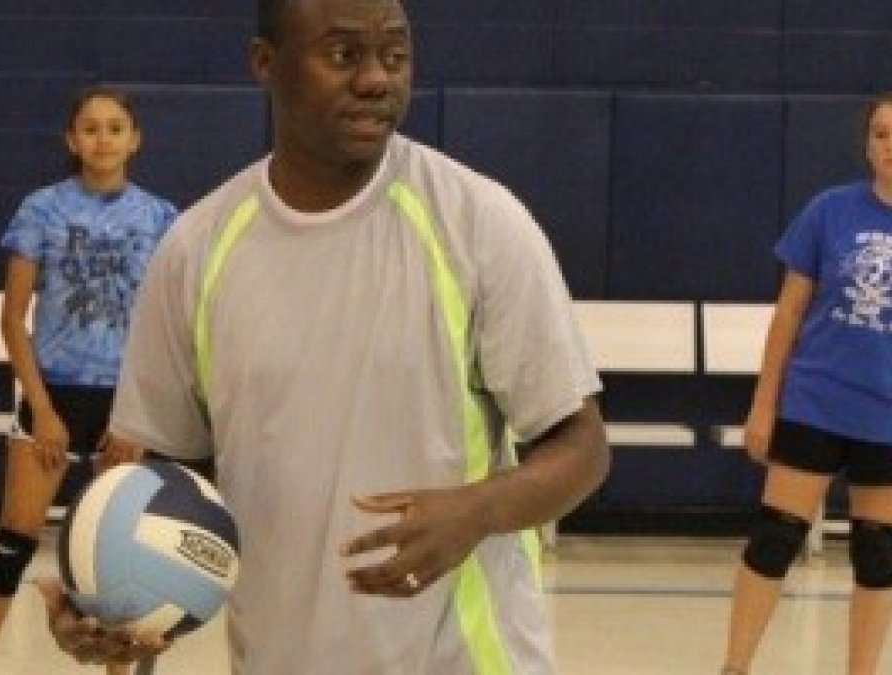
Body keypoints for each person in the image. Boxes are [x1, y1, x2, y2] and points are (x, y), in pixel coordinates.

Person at [38, 0, 610, 672]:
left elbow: (582, 446)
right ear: (265, 63)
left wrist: (478, 509)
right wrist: (123, 599)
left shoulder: (479, 223)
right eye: (343, 55)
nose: (376, 79)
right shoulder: (196, 250)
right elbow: (169, 482)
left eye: (394, 55)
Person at [0, 85, 177, 674]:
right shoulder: (42, 210)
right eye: (90, 128)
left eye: (115, 127)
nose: (103, 138)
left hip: (125, 406)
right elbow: (12, 319)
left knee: (120, 554)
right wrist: (43, 410)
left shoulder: (161, 218)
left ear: (135, 139)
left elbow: (168, 329)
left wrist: (137, 417)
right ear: (72, 139)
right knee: (13, 540)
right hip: (54, 394)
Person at [721, 92, 892, 675]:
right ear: (866, 145)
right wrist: (763, 406)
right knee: (775, 540)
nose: (890, 146)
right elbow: (789, 312)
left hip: (885, 418)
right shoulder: (829, 211)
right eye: (881, 134)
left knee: (879, 553)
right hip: (815, 404)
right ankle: (735, 667)